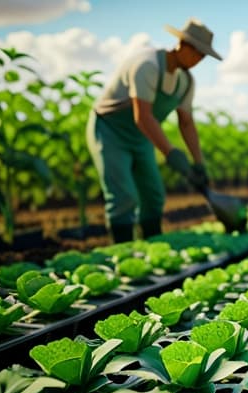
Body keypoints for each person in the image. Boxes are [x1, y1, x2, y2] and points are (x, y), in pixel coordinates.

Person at [86, 18, 220, 243]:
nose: (199, 60)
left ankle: (152, 247)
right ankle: (124, 252)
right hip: (110, 131)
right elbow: (143, 116)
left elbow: (186, 122)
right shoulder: (148, 65)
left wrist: (199, 163)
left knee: (154, 195)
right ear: (182, 44)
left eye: (203, 56)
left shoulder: (185, 82)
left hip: (141, 138)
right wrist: (171, 152)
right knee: (123, 197)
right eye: (197, 52)